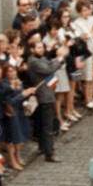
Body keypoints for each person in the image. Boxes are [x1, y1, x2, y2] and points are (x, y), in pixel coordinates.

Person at [24, 32, 66, 162]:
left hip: (46, 94)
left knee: (42, 124)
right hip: (44, 96)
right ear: (31, 49)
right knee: (47, 125)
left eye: (42, 47)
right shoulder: (34, 61)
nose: (41, 50)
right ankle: (49, 152)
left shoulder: (39, 59)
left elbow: (49, 64)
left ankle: (43, 147)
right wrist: (59, 58)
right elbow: (48, 69)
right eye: (38, 48)